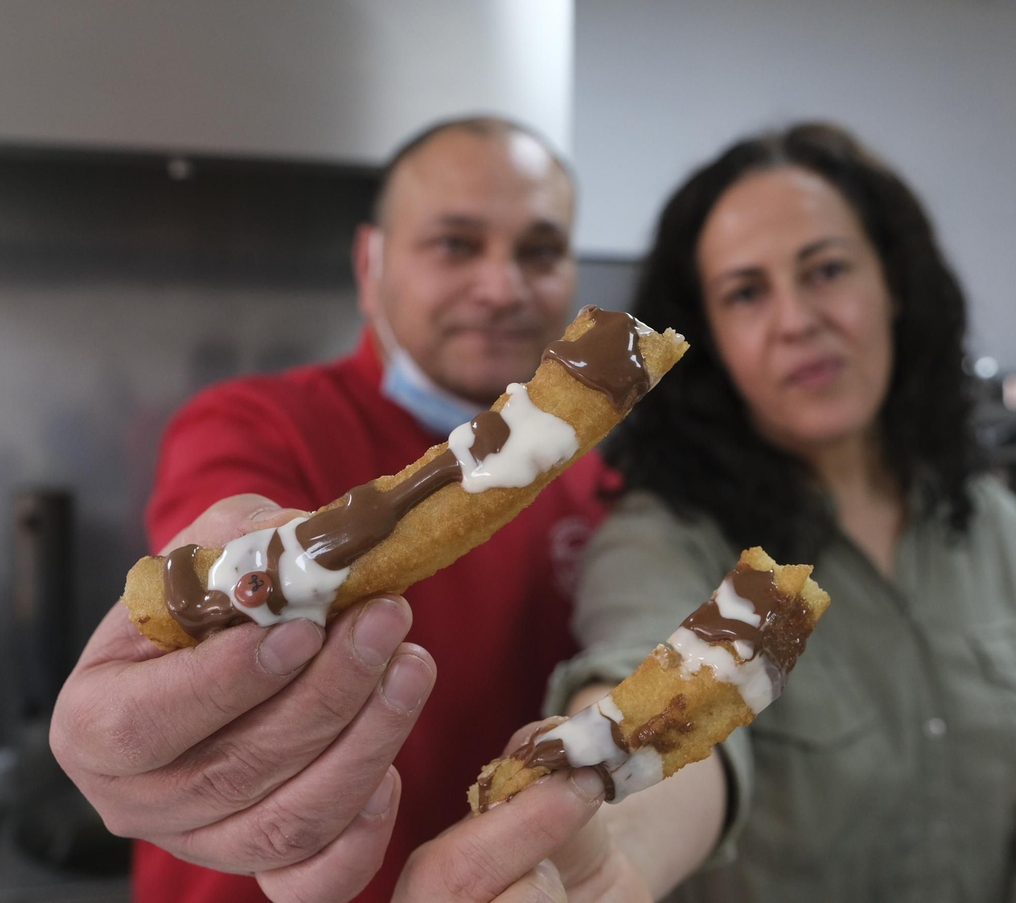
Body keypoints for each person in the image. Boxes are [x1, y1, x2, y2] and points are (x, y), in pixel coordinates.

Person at [533, 123, 1016, 902]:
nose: (796, 320)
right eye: (747, 292)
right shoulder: (667, 542)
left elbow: (991, 750)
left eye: (825, 270)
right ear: (712, 339)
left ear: (893, 283)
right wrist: (616, 844)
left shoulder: (987, 523)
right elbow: (651, 704)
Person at [50, 115, 618, 902]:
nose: (502, 287)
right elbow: (222, 532)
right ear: (370, 265)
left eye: (540, 251)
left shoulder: (597, 487)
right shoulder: (254, 423)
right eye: (455, 244)